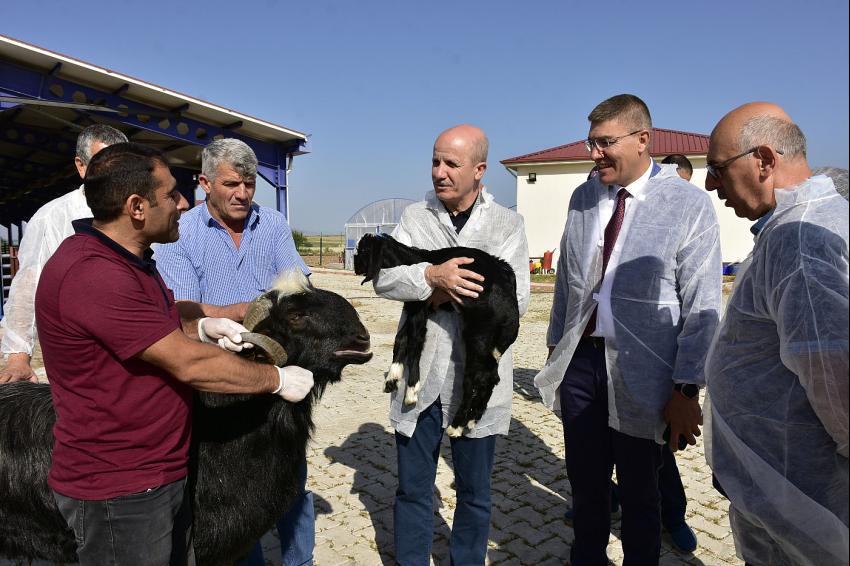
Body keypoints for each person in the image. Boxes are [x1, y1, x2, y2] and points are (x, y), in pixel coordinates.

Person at [34, 142, 314, 566]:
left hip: (158, 471)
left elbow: (157, 320)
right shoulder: (94, 274)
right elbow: (188, 362)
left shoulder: (132, 261)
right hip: (121, 488)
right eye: (170, 194)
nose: (183, 203)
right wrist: (277, 380)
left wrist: (200, 324)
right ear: (136, 207)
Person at [535, 94, 721, 565]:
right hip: (581, 364)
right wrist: (557, 346)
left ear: (643, 140)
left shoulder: (687, 205)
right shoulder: (583, 197)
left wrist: (686, 388)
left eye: (605, 142)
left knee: (641, 493)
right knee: (587, 485)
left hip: (646, 371)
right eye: (591, 142)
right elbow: (569, 279)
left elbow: (702, 303)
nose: (594, 153)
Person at [371, 124, 529, 565]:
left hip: (478, 381)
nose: (439, 173)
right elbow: (385, 278)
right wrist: (431, 278)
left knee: (475, 492)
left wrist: (451, 295)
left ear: (480, 170)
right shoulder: (415, 220)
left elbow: (517, 300)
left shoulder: (506, 225)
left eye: (451, 164)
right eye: (435, 162)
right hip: (421, 374)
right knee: (414, 488)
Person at [153, 138, 313, 566]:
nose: (242, 194)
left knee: (291, 480)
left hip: (280, 377)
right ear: (204, 183)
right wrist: (250, 309)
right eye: (231, 184)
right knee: (235, 489)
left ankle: (301, 560)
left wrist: (269, 309)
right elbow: (184, 313)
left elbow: (298, 294)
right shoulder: (179, 232)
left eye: (249, 184)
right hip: (216, 381)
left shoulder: (274, 225)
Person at [704, 102, 848, 566]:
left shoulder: (799, 240)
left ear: (764, 160)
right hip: (778, 485)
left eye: (718, 169)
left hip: (800, 495)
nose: (711, 184)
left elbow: (834, 378)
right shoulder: (801, 223)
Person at [1, 123, 127, 383]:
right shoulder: (53, 217)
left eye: (124, 163)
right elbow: (28, 287)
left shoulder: (142, 212)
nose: (116, 174)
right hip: (78, 360)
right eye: (103, 164)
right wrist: (17, 359)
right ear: (81, 166)